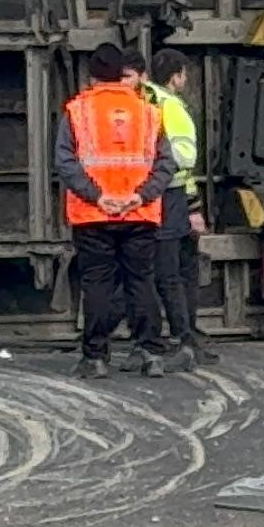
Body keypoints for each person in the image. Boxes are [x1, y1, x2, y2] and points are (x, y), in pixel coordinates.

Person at [55, 43, 177, 377]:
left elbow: (65, 163)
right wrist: (141, 196)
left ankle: (95, 357)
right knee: (141, 280)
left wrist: (98, 196)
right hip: (140, 214)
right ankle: (151, 352)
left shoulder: (77, 111)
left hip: (93, 215)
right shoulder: (148, 112)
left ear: (92, 75)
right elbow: (167, 164)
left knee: (97, 282)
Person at [145, 51, 208, 357]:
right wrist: (193, 206)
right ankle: (185, 337)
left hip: (159, 197)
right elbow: (185, 161)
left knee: (170, 271)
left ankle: (182, 335)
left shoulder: (146, 100)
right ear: (176, 77)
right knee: (177, 272)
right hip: (171, 199)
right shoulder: (170, 106)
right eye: (184, 75)